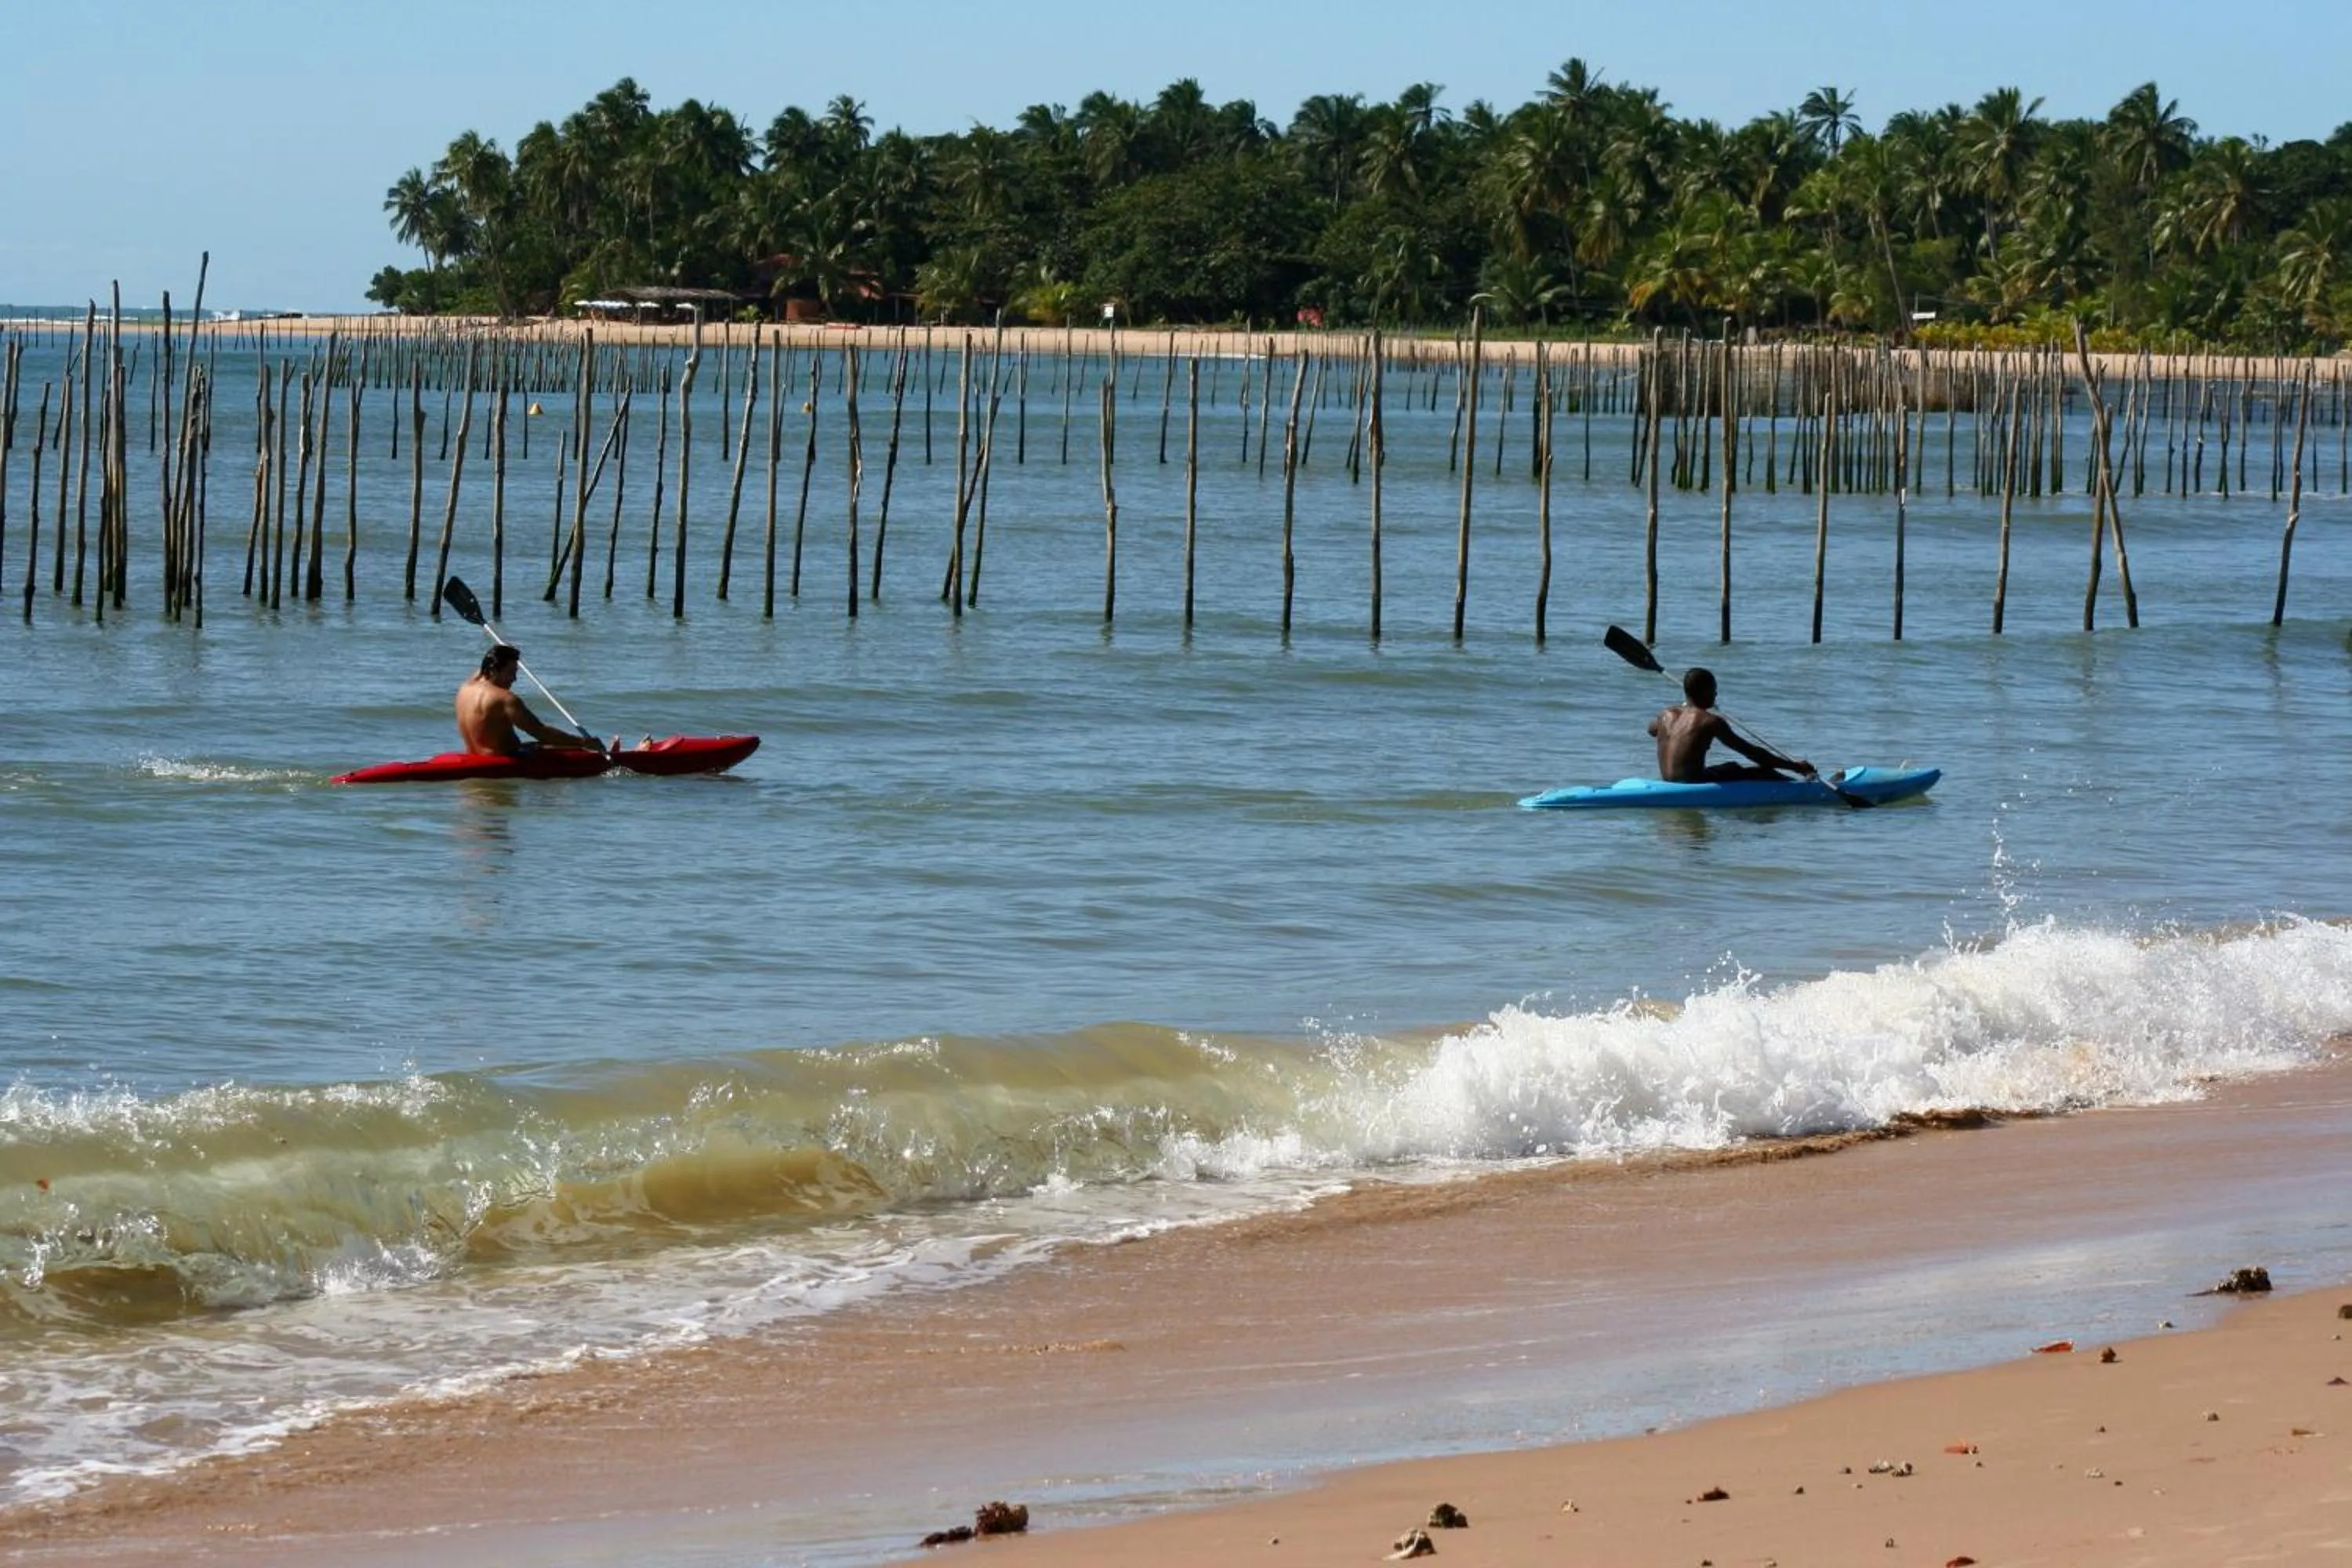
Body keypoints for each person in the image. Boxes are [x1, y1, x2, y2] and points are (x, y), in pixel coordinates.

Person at [1647, 666, 1813, 783]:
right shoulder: (1710, 721)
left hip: (1668, 780)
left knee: (1730, 767)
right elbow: (1751, 753)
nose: (1716, 694)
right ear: (1704, 691)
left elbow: (1651, 730)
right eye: (1713, 690)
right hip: (1694, 782)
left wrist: (1685, 709)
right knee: (1761, 771)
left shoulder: (1665, 715)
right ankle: (1803, 788)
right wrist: (1794, 766)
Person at [455, 644, 608, 757]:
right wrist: (583, 742)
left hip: (476, 756)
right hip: (507, 760)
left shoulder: (465, 688)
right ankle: (598, 753)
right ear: (494, 670)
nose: (515, 679)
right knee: (567, 747)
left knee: (550, 745)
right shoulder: (505, 699)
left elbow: (483, 669)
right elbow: (541, 733)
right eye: (511, 673)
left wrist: (506, 652)